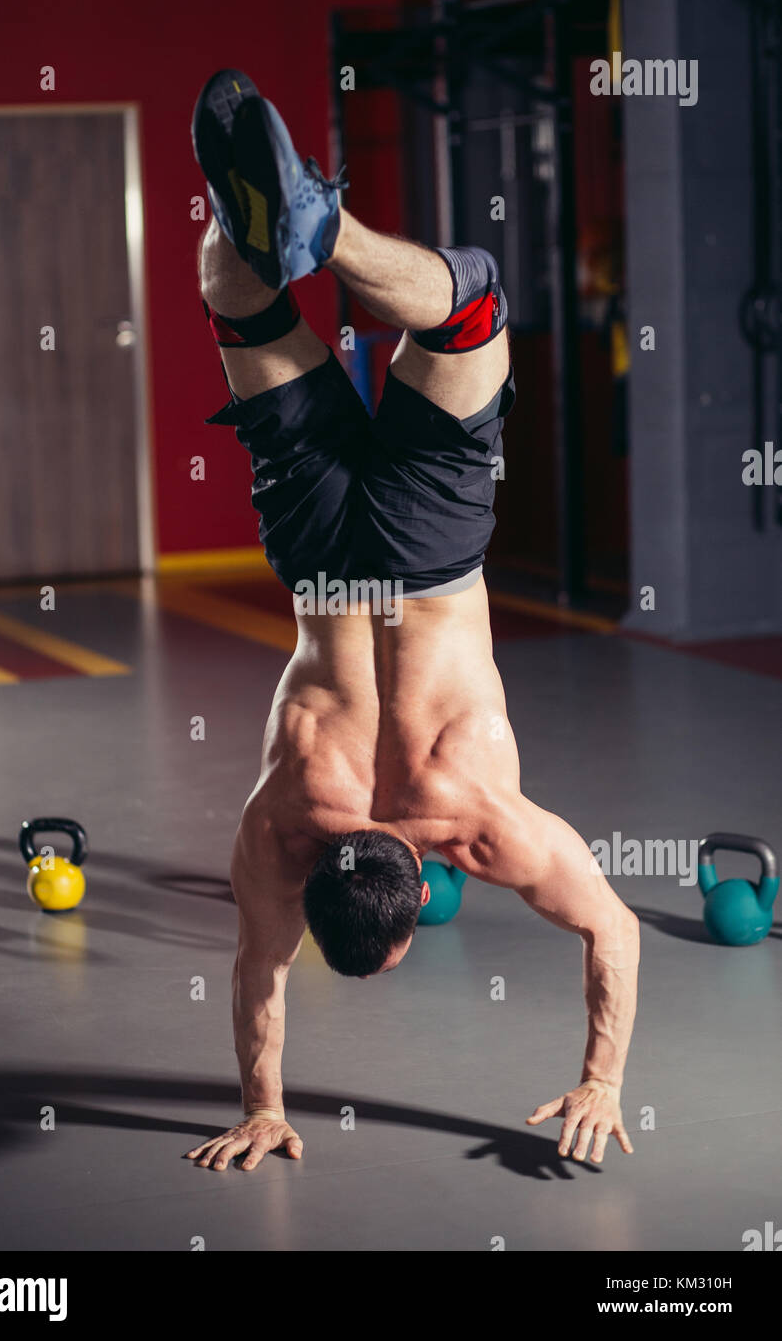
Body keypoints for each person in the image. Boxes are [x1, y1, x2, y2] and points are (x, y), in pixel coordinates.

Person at [185, 71, 639, 1175]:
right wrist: (262, 1103)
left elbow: (611, 932)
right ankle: (274, 229)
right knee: (233, 289)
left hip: (431, 554)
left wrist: (602, 1080)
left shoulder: (480, 822)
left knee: (473, 307)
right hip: (319, 554)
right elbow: (260, 972)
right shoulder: (279, 827)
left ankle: (319, 224)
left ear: (412, 902)